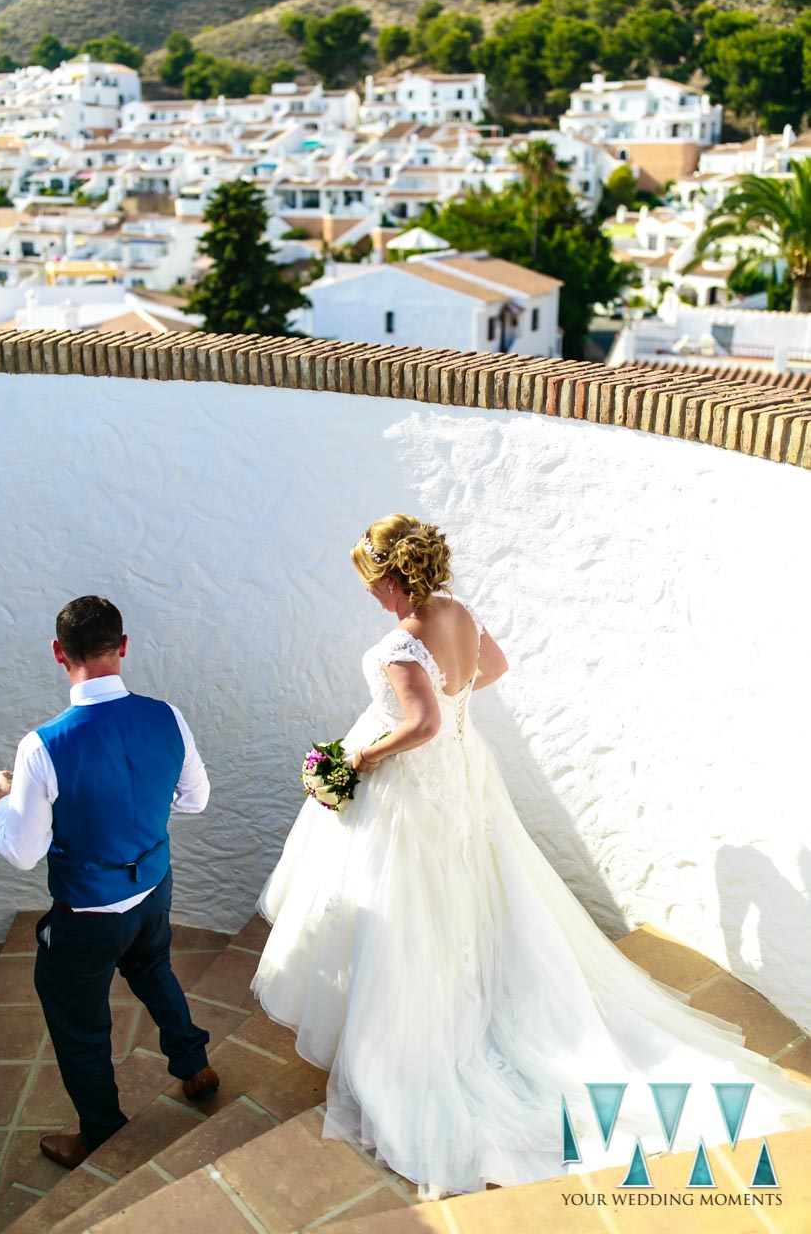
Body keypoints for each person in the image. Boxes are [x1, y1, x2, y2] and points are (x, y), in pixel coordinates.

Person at [252, 514, 811, 1201]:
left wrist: (363, 754)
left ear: (394, 578)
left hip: (415, 791)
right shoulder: (455, 611)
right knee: (467, 889)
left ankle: (410, 1035)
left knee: (405, 904)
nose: (371, 596)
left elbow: (420, 725)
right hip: (462, 778)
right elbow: (492, 669)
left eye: (373, 584)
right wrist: (450, 705)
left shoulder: (398, 646)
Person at [0, 595, 219, 1170]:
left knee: (78, 1020)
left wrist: (3, 801)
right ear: (123, 646)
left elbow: (23, 852)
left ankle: (102, 1132)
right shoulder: (167, 715)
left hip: (88, 916)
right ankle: (195, 1066)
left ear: (57, 653)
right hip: (154, 889)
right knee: (152, 966)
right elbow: (195, 800)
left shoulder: (42, 745)